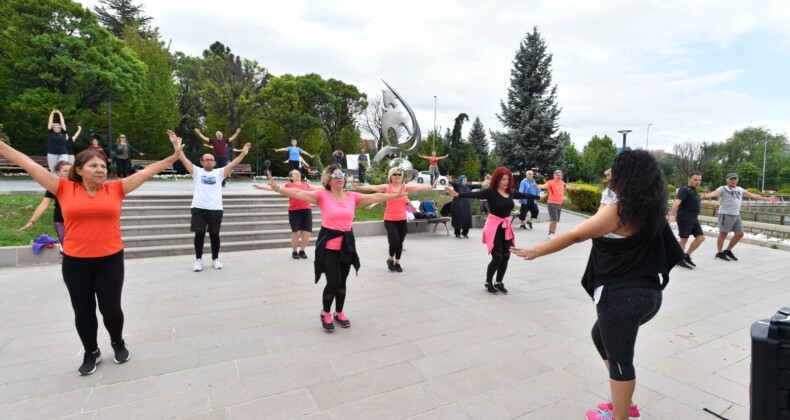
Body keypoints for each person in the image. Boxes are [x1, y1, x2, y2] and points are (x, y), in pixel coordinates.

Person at [511, 150, 684, 420]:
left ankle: (620, 415)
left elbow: (577, 234)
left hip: (622, 297)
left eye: (611, 169)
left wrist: (537, 251)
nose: (606, 174)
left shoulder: (619, 211)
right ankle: (623, 403)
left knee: (620, 362)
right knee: (599, 337)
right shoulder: (647, 209)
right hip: (647, 294)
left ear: (624, 175)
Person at [1, 130, 185, 376]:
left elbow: (146, 172)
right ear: (79, 169)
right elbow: (29, 164)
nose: (100, 169)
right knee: (83, 309)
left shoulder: (116, 189)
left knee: (111, 308)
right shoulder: (63, 188)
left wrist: (174, 155)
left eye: (103, 166)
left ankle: (118, 342)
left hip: (110, 260)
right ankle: (91, 351)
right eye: (94, 165)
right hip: (76, 262)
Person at [268, 165, 406, 332]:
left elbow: (376, 196)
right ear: (328, 180)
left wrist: (394, 195)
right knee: (333, 281)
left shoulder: (352, 197)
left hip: (346, 245)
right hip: (328, 246)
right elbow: (299, 193)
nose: (340, 178)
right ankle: (325, 312)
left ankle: (339, 312)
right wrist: (278, 189)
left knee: (342, 282)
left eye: (342, 175)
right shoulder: (322, 195)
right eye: (336, 176)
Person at [445, 167, 543, 295]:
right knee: (497, 257)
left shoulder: (511, 192)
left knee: (506, 256)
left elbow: (524, 194)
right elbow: (475, 194)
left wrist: (538, 197)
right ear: (497, 179)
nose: (506, 181)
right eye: (503, 179)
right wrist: (457, 194)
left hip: (505, 226)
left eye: (508, 179)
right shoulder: (491, 192)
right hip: (494, 226)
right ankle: (488, 282)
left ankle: (499, 282)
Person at [172, 130, 251, 271]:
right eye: (206, 159)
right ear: (201, 162)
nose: (209, 161)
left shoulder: (220, 173)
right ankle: (198, 260)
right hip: (199, 208)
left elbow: (233, 163)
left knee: (214, 235)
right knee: (199, 234)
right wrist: (176, 145)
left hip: (215, 209)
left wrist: (243, 153)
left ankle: (215, 259)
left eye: (211, 160)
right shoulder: (196, 171)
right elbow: (182, 157)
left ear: (214, 162)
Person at [353, 167, 435, 272]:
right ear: (390, 176)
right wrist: (358, 187)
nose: (397, 176)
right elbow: (373, 187)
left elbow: (417, 187)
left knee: (400, 242)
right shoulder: (387, 187)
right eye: (395, 174)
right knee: (395, 239)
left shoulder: (404, 187)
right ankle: (390, 259)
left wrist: (431, 187)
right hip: (390, 218)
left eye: (399, 174)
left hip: (402, 219)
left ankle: (397, 262)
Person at [701, 172, 778, 261]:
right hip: (726, 214)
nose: (733, 180)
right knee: (723, 233)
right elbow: (714, 193)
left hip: (736, 215)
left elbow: (752, 195)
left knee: (740, 234)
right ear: (727, 180)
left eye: (735, 178)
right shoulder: (723, 189)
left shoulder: (739, 189)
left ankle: (728, 250)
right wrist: (705, 195)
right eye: (731, 179)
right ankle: (719, 252)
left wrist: (767, 199)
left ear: (737, 180)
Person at [253, 169, 323, 259]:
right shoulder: (288, 185)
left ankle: (302, 250)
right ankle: (294, 251)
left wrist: (331, 186)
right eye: (295, 173)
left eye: (298, 173)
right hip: (294, 211)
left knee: (307, 233)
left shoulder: (306, 185)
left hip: (306, 210)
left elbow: (319, 187)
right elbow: (275, 188)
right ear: (291, 177)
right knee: (296, 233)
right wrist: (262, 187)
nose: (297, 174)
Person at [18, 160, 72, 251]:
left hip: (79, 221)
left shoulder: (81, 185)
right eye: (65, 171)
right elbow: (43, 205)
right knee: (68, 248)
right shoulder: (54, 186)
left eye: (71, 171)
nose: (69, 173)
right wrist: (31, 221)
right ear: (59, 173)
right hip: (61, 221)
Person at [668, 172, 705, 269]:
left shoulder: (694, 191)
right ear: (689, 180)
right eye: (695, 180)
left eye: (699, 180)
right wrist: (672, 214)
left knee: (700, 238)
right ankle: (679, 260)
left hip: (694, 219)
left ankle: (686, 255)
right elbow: (676, 203)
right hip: (685, 218)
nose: (698, 182)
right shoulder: (684, 190)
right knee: (684, 239)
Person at [537, 169, 581, 239]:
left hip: (559, 203)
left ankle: (552, 233)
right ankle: (550, 234)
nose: (559, 176)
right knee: (554, 219)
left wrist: (575, 188)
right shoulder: (551, 182)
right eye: (557, 175)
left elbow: (568, 187)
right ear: (554, 176)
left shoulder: (562, 182)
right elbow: (544, 186)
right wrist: (537, 186)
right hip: (551, 203)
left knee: (556, 220)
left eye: (560, 175)